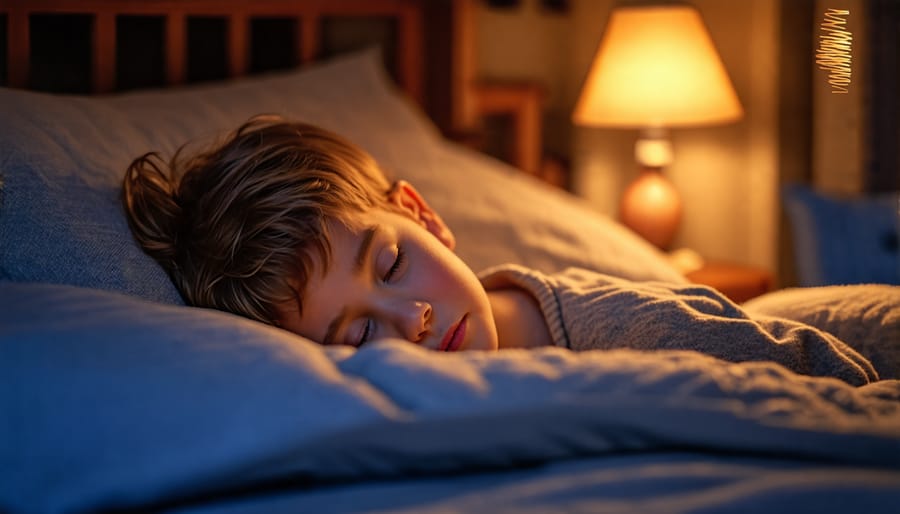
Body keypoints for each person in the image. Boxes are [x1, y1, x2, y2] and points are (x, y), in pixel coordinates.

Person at [123, 114, 886, 386]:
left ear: (421, 214)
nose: (412, 319)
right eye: (356, 334)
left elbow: (825, 383)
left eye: (389, 263)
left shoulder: (616, 328)